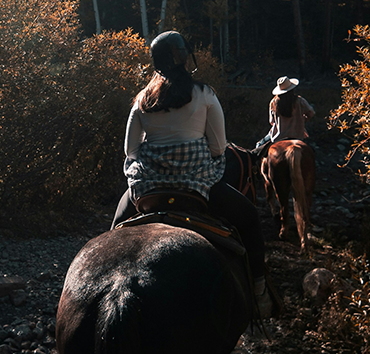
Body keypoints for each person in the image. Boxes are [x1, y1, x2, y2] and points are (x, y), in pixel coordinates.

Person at [111, 30, 273, 317]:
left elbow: (130, 151)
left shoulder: (141, 100)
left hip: (149, 189)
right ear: (184, 57)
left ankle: (111, 277)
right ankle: (260, 295)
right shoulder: (204, 94)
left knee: (113, 234)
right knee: (249, 219)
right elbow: (218, 147)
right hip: (197, 187)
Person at [254, 76, 316, 155]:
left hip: (279, 137)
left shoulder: (274, 103)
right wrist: (303, 119)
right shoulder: (299, 100)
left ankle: (255, 166)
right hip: (298, 135)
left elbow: (271, 122)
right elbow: (311, 113)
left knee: (258, 145)